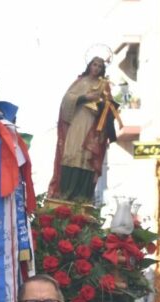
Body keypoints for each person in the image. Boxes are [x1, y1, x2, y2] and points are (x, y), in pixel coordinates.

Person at [47, 57, 118, 203]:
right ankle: (66, 192)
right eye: (94, 65)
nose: (96, 68)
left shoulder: (104, 85)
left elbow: (109, 106)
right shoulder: (81, 81)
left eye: (99, 66)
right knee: (72, 152)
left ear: (102, 70)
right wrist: (85, 97)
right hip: (78, 120)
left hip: (93, 125)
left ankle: (83, 196)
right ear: (89, 65)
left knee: (87, 156)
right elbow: (67, 99)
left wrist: (104, 105)